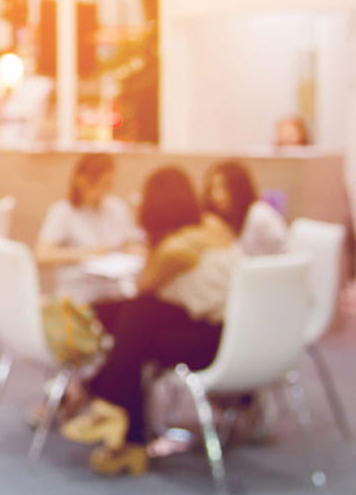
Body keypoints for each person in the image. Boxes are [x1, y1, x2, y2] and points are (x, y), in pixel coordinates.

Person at [60, 166, 239, 476]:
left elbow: (145, 284)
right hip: (230, 331)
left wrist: (151, 249)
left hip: (212, 343)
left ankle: (111, 411)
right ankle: (105, 401)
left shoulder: (175, 248)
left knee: (134, 325)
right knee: (129, 317)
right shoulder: (212, 227)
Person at [36, 153, 145, 305]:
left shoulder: (116, 208)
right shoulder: (63, 212)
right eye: (100, 184)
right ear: (81, 181)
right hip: (80, 292)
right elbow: (42, 255)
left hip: (116, 290)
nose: (104, 190)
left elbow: (131, 242)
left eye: (108, 184)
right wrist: (86, 253)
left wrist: (132, 251)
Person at [202, 160, 287, 255]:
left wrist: (223, 234)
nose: (217, 196)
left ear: (239, 188)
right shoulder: (229, 219)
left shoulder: (259, 216)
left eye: (224, 187)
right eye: (212, 188)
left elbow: (283, 259)